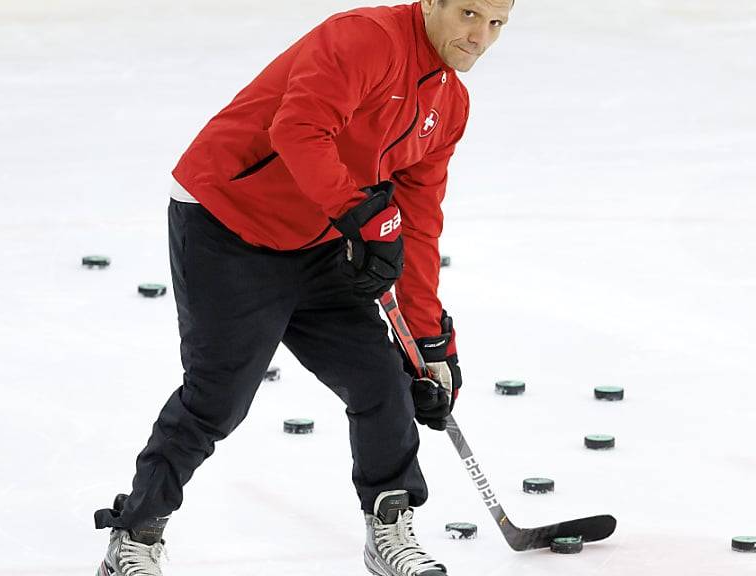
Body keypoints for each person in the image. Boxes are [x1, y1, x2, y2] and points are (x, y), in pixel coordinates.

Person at [93, 1, 513, 575]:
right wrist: (358, 213)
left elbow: (417, 219)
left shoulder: (450, 104)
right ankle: (134, 536)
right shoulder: (366, 38)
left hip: (317, 243)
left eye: (496, 24)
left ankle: (389, 531)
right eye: (469, 12)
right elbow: (297, 129)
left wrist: (428, 337)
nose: (480, 36)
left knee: (383, 380)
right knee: (218, 398)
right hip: (228, 223)